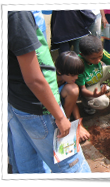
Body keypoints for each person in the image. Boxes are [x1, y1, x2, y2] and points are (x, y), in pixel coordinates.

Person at [8, 11, 91, 173]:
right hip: (39, 106)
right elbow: (34, 79)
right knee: (73, 166)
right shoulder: (17, 13)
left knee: (29, 164)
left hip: (17, 102)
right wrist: (60, 117)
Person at [75, 35, 110, 115]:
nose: (98, 60)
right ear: (82, 54)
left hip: (100, 75)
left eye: (100, 56)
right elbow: (82, 90)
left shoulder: (99, 52)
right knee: (103, 102)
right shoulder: (79, 65)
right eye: (93, 58)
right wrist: (96, 94)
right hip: (89, 87)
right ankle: (87, 104)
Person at [55, 51, 90, 142]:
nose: (77, 77)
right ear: (59, 71)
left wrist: (79, 125)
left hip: (62, 110)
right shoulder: (50, 81)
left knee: (73, 89)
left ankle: (67, 124)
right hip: (50, 111)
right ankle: (61, 126)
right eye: (73, 75)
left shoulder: (67, 81)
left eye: (77, 74)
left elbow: (73, 103)